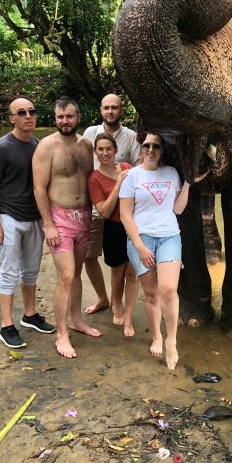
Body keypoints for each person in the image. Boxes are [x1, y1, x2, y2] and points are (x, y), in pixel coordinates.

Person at [119, 133, 199, 371]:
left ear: (163, 149)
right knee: (152, 293)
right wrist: (140, 246)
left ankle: (171, 340)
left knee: (169, 289)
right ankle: (156, 336)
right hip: (141, 238)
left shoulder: (171, 173)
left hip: (169, 236)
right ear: (141, 148)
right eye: (147, 145)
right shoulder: (132, 176)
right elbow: (125, 214)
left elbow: (177, 208)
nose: (151, 149)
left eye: (156, 146)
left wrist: (188, 184)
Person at [32, 97, 102, 359]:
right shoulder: (46, 147)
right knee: (66, 275)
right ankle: (62, 334)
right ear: (55, 117)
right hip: (59, 219)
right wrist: (48, 225)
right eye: (60, 117)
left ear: (78, 117)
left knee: (77, 273)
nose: (64, 121)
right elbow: (38, 188)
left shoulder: (86, 145)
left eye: (69, 116)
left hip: (84, 217)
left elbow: (93, 180)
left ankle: (76, 320)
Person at [0, 98, 55, 349]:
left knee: (31, 270)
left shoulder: (38, 146)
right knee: (8, 271)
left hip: (34, 217)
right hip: (9, 216)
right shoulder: (1, 148)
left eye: (32, 111)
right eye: (21, 112)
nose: (28, 116)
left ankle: (30, 315)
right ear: (11, 118)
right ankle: (6, 325)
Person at [82, 94, 141, 315]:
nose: (110, 112)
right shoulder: (90, 133)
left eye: (114, 108)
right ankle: (102, 298)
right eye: (106, 107)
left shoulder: (132, 137)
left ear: (121, 110)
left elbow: (138, 170)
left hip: (124, 213)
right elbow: (83, 164)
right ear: (100, 110)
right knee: (90, 255)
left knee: (123, 263)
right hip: (97, 207)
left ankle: (120, 301)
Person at [87, 134, 138, 336]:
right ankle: (116, 303)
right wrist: (117, 185)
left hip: (134, 227)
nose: (105, 153)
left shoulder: (128, 168)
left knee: (132, 273)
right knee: (117, 273)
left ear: (116, 150)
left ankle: (129, 311)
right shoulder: (94, 178)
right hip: (114, 227)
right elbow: (104, 211)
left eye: (109, 149)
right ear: (95, 152)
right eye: (101, 149)